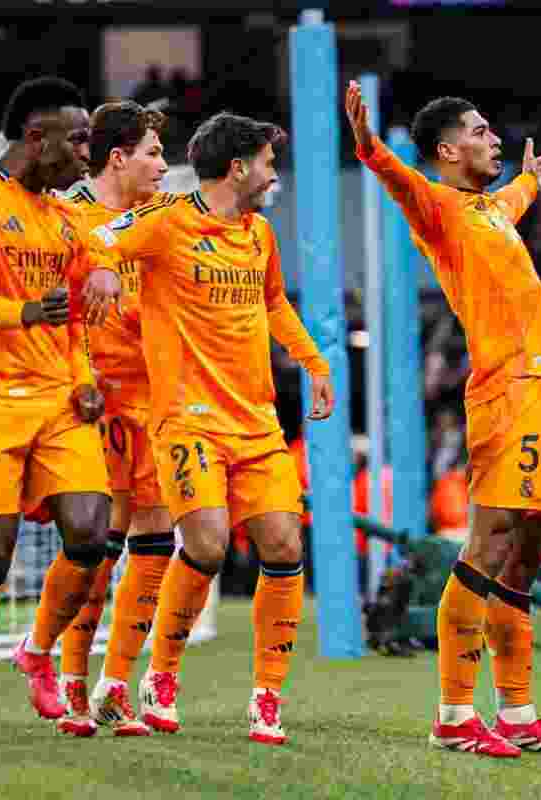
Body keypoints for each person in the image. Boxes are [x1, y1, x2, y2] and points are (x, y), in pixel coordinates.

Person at [347, 81, 541, 759]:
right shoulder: (440, 207)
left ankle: (517, 715)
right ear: (449, 149)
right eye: (481, 131)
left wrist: (530, 184)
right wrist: (369, 146)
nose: (495, 139)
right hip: (509, 391)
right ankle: (455, 715)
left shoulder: (491, 210)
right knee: (489, 544)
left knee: (524, 558)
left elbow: (509, 200)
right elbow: (399, 180)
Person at [79, 111, 335, 746]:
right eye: (269, 163)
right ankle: (158, 678)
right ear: (239, 167)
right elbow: (96, 236)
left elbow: (274, 303)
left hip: (256, 423)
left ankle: (267, 698)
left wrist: (313, 362)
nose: (276, 174)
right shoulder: (167, 221)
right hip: (188, 420)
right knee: (210, 542)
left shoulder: (261, 235)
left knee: (283, 545)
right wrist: (106, 265)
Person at [0, 76, 112, 748]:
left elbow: (81, 311)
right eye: (81, 139)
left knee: (92, 533)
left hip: (60, 401)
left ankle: (38, 649)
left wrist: (87, 376)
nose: (88, 154)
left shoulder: (65, 217)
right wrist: (31, 311)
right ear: (38, 139)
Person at [52, 100, 172, 738]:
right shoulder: (66, 214)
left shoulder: (159, 217)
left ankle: (117, 685)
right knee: (93, 545)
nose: (163, 164)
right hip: (93, 398)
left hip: (155, 398)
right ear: (119, 157)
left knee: (157, 540)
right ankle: (70, 680)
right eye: (153, 152)